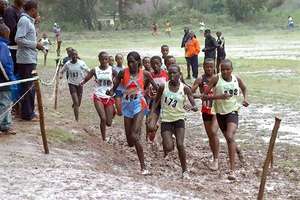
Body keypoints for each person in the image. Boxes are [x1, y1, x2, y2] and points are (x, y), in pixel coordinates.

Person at [107, 51, 157, 175]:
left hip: (139, 104)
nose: (130, 64)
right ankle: (138, 134)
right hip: (127, 105)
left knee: (134, 135)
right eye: (129, 62)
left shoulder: (145, 73)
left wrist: (155, 95)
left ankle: (144, 167)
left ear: (138, 62)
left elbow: (157, 87)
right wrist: (111, 92)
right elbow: (114, 87)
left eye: (133, 62)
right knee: (130, 142)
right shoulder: (123, 72)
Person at [147, 64, 198, 179]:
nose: (172, 75)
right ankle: (170, 140)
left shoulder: (184, 88)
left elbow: (194, 104)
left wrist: (192, 107)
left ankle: (185, 171)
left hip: (179, 119)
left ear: (179, 74)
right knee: (169, 147)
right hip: (166, 120)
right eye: (170, 73)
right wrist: (151, 114)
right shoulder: (162, 87)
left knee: (180, 145)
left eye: (174, 73)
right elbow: (156, 101)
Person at [204, 59, 249, 179]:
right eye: (222, 69)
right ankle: (238, 151)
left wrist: (245, 99)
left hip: (233, 111)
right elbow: (204, 96)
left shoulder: (236, 79)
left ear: (232, 69)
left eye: (227, 69)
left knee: (229, 136)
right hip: (220, 113)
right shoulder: (216, 79)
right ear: (219, 70)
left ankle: (232, 170)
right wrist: (219, 96)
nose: (225, 71)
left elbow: (244, 88)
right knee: (229, 139)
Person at [15, 0, 43, 121]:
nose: (37, 12)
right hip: (26, 60)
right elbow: (18, 39)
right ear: (32, 9)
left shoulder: (29, 21)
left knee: (29, 87)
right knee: (28, 87)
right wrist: (35, 45)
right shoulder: (24, 20)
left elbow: (30, 36)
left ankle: (29, 111)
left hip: (30, 58)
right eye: (37, 9)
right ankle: (27, 114)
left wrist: (36, 24)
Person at [81, 51, 115, 142]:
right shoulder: (95, 70)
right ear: (99, 59)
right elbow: (86, 78)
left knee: (109, 122)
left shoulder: (112, 70)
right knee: (103, 118)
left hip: (108, 97)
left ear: (108, 60)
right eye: (102, 59)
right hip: (98, 96)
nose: (104, 61)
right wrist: (82, 83)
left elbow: (119, 80)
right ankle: (103, 138)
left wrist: (114, 89)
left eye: (106, 59)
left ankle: (113, 112)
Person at [191, 58, 219, 170]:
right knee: (210, 136)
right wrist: (200, 96)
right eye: (207, 66)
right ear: (203, 67)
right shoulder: (200, 79)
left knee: (213, 131)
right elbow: (190, 93)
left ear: (214, 67)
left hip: (217, 110)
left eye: (211, 66)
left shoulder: (218, 78)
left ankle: (216, 160)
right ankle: (214, 156)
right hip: (206, 110)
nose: (209, 69)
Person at [60, 49, 89, 121]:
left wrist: (93, 77)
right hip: (71, 83)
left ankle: (75, 105)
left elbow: (89, 70)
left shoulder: (81, 63)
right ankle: (77, 119)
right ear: (70, 56)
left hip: (80, 83)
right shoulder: (67, 64)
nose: (74, 56)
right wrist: (61, 75)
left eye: (76, 55)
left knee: (78, 103)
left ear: (77, 55)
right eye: (73, 55)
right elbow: (62, 71)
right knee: (76, 102)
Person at [146, 56, 168, 142]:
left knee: (167, 125)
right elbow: (144, 87)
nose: (155, 66)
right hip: (154, 102)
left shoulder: (166, 74)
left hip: (165, 102)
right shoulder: (149, 75)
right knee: (150, 126)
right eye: (153, 64)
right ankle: (154, 127)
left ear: (161, 64)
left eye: (157, 64)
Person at [0, 22, 16, 135]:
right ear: (4, 34)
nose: (9, 36)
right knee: (5, 103)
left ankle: (5, 125)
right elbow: (4, 64)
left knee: (6, 102)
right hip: (3, 80)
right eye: (8, 34)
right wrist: (9, 78)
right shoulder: (3, 46)